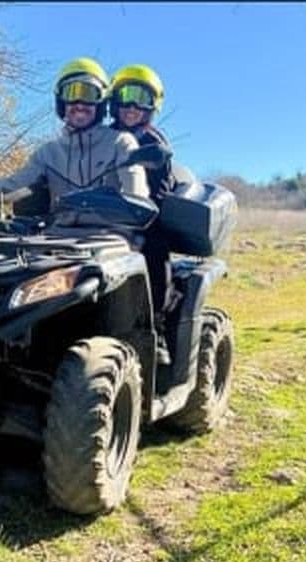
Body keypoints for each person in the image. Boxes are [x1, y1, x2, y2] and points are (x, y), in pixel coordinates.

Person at [0, 57, 149, 206]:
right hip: (56, 230)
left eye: (88, 94)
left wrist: (130, 207)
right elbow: (13, 186)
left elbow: (136, 196)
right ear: (61, 102)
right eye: (71, 93)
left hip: (110, 230)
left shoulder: (121, 143)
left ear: (101, 103)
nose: (80, 104)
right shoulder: (47, 153)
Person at [110, 64, 177, 364]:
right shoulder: (102, 137)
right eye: (125, 96)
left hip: (144, 217)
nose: (131, 106)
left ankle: (158, 327)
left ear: (152, 105)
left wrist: (137, 218)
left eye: (141, 98)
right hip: (101, 216)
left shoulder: (154, 143)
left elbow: (159, 192)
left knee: (154, 246)